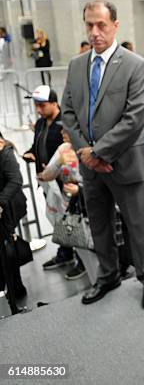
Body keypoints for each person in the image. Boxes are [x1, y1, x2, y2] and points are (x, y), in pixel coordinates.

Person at [61, 0, 144, 309]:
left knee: (138, 224)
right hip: (91, 167)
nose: (94, 31)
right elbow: (67, 111)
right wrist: (86, 153)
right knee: (99, 223)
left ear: (115, 25)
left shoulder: (135, 65)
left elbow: (134, 119)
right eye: (89, 25)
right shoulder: (77, 66)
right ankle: (108, 275)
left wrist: (99, 152)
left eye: (101, 25)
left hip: (125, 163)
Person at [22, 85, 73, 270]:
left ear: (54, 103)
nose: (38, 109)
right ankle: (66, 251)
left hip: (65, 182)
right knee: (58, 218)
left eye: (42, 105)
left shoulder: (65, 124)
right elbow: (36, 144)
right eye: (36, 105)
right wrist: (30, 153)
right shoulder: (41, 124)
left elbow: (70, 152)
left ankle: (82, 258)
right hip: (47, 183)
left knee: (73, 218)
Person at [38, 129, 87, 280]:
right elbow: (47, 174)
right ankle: (81, 261)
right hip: (70, 199)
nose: (62, 132)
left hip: (90, 197)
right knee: (74, 229)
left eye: (66, 129)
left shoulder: (89, 147)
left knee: (93, 232)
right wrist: (57, 163)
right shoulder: (64, 148)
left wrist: (80, 189)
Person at [0, 132, 28, 301]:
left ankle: (15, 286)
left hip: (9, 205)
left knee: (8, 243)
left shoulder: (6, 154)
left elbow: (16, 180)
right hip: (5, 204)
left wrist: (1, 202)